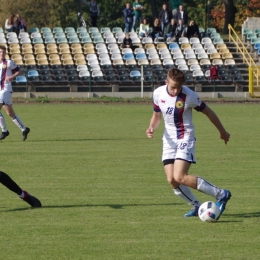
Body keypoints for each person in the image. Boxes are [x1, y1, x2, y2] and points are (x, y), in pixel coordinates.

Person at [146, 68, 231, 218]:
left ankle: (221, 194)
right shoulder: (158, 93)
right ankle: (196, 205)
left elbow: (209, 112)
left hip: (186, 137)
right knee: (171, 180)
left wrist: (222, 131)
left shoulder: (189, 96)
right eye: (172, 87)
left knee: (180, 176)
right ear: (166, 82)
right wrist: (152, 127)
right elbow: (156, 115)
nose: (175, 90)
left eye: (178, 87)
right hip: (168, 140)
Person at [0, 45, 30, 141]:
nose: (2, 53)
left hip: (6, 89)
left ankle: (4, 131)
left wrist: (11, 77)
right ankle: (24, 129)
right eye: (0, 52)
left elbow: (18, 71)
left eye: (4, 52)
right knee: (10, 113)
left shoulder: (8, 62)